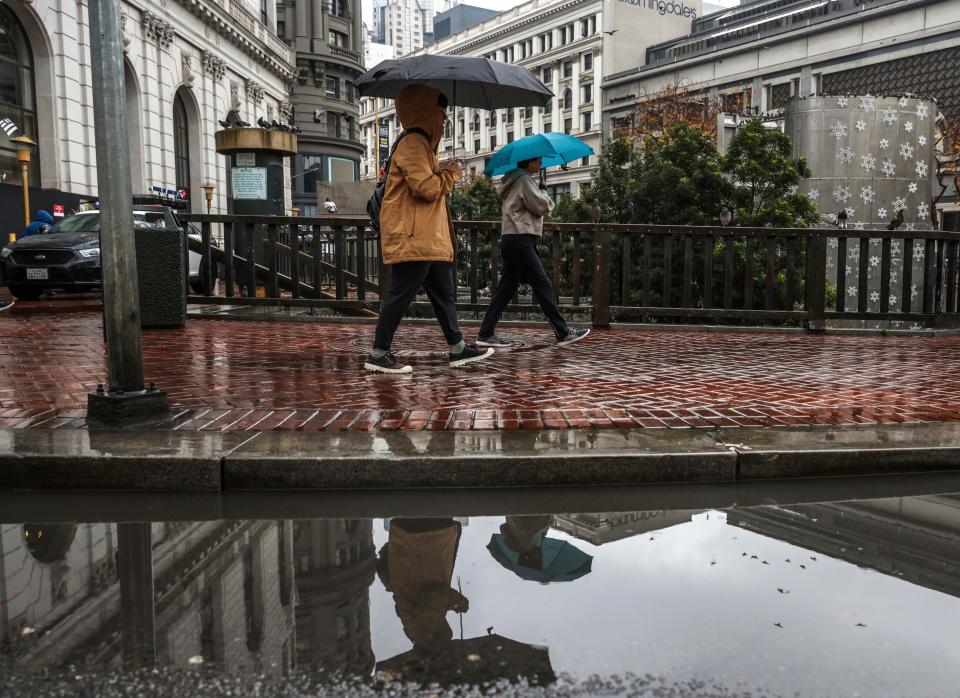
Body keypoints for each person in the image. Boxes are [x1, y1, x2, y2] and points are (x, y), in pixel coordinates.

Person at [365, 84, 493, 374]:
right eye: (441, 113)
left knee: (443, 293)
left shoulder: (422, 145)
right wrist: (450, 173)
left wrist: (441, 168)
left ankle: (457, 347)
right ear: (425, 112)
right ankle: (378, 352)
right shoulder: (413, 143)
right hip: (415, 236)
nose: (444, 120)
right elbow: (424, 188)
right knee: (400, 294)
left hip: (427, 237)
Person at [476, 158, 590, 348]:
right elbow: (541, 207)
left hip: (511, 237)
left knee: (506, 288)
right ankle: (562, 332)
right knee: (541, 282)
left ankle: (485, 334)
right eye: (539, 160)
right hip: (521, 238)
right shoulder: (524, 180)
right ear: (530, 163)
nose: (541, 163)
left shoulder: (513, 180)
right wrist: (544, 191)